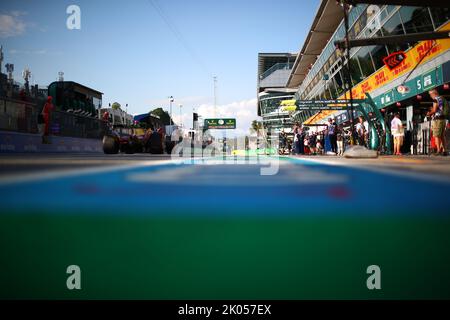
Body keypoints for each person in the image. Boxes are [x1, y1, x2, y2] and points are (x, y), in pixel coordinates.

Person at [427, 89, 448, 156]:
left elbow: (435, 109)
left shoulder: (435, 99)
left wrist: (429, 113)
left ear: (434, 93)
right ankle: (445, 151)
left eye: (430, 94)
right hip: (443, 119)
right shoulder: (442, 98)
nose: (430, 96)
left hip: (437, 120)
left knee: (436, 135)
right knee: (442, 136)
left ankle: (438, 150)